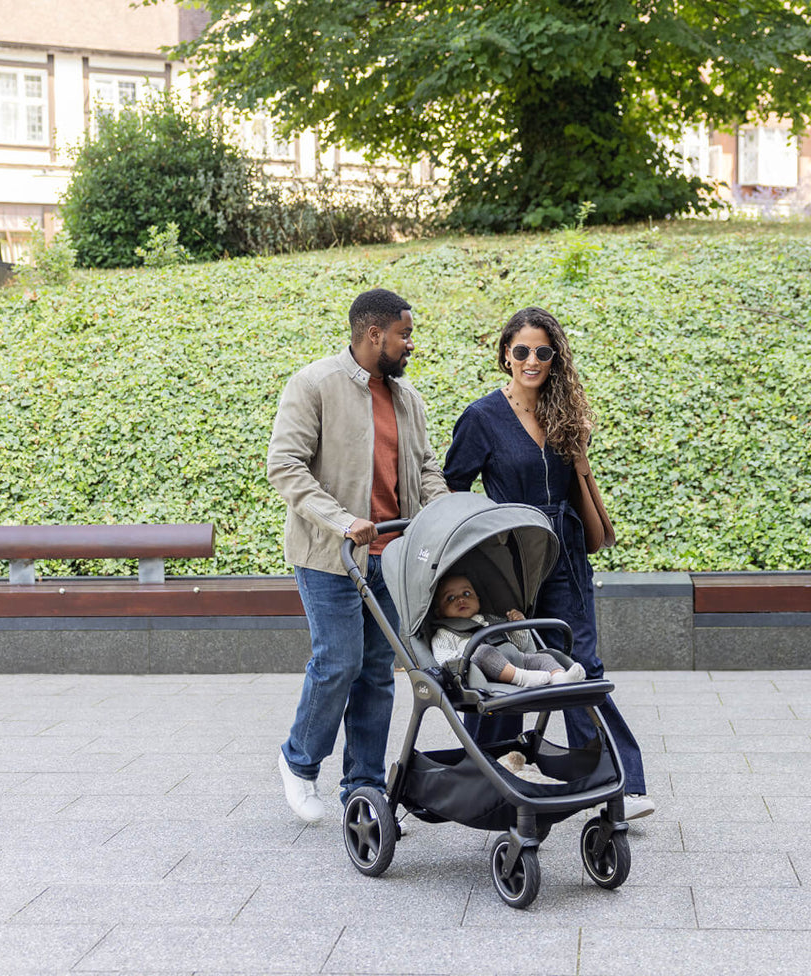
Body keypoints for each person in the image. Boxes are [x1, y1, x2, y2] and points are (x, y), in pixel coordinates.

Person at [442, 306, 654, 821]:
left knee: (582, 665)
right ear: (505, 356)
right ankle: (489, 773)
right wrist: (470, 551)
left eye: (542, 351)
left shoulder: (566, 415)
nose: (531, 360)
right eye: (522, 351)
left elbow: (580, 490)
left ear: (555, 357)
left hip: (565, 555)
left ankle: (618, 783)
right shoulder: (481, 417)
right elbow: (452, 488)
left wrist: (579, 456)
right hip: (507, 557)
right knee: (501, 665)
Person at [268, 288, 448, 823]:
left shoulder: (407, 397)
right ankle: (298, 762)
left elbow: (425, 466)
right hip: (330, 555)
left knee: (376, 672)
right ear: (374, 334)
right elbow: (285, 466)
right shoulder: (314, 384)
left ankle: (363, 790)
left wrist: (445, 513)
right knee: (339, 662)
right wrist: (343, 521)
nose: (410, 344)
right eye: (404, 335)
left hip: (391, 557)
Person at [430, 574, 587, 687]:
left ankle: (559, 678)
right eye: (450, 598)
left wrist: (517, 625)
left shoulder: (491, 619)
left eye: (466, 593)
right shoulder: (444, 633)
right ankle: (522, 678)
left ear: (478, 599)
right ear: (438, 611)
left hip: (514, 659)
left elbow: (518, 645)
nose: (461, 599)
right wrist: (464, 660)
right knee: (483, 651)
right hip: (479, 671)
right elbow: (444, 659)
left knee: (543, 658)